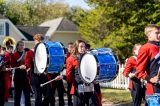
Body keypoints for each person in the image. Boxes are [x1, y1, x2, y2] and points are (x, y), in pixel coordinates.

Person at [66, 40, 98, 106]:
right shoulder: (71, 59)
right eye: (81, 46)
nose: (83, 48)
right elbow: (68, 74)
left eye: (84, 46)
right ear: (76, 47)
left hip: (90, 86)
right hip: (78, 87)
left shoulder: (89, 57)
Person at [136, 24, 160, 96]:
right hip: (155, 88)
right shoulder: (145, 48)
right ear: (149, 35)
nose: (159, 34)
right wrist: (151, 79)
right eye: (157, 33)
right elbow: (139, 72)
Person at [11, 41, 31, 106]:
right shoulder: (14, 55)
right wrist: (19, 66)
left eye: (23, 45)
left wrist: (25, 66)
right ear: (17, 46)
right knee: (17, 95)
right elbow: (13, 64)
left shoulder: (26, 54)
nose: (22, 46)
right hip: (17, 76)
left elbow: (28, 63)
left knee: (27, 95)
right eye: (20, 45)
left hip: (25, 76)